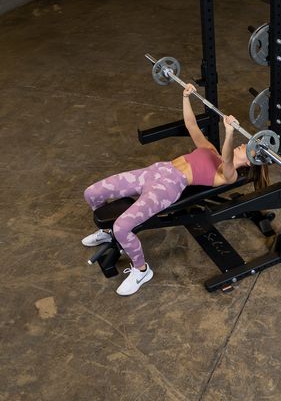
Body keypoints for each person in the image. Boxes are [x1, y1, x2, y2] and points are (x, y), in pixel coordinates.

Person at [81, 83, 269, 296]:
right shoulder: (210, 150)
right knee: (91, 193)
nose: (244, 145)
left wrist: (229, 133)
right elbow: (191, 125)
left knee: (122, 227)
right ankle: (108, 233)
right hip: (154, 171)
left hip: (167, 188)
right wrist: (186, 97)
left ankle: (141, 270)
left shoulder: (229, 174)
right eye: (246, 143)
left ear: (251, 161)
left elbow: (227, 159)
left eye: (249, 148)